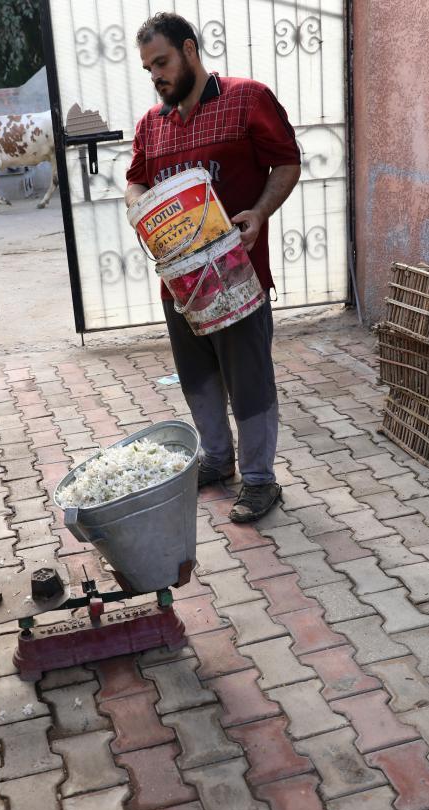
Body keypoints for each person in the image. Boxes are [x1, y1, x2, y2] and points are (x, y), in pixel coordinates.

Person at [125, 12, 301, 524]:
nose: (156, 75)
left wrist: (259, 213)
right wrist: (140, 208)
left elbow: (287, 161)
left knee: (249, 381)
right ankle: (219, 461)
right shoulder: (151, 124)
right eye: (148, 68)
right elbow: (135, 180)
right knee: (198, 378)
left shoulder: (248, 99)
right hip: (180, 285)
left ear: (189, 50)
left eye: (162, 62)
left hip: (238, 279)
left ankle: (261, 480)